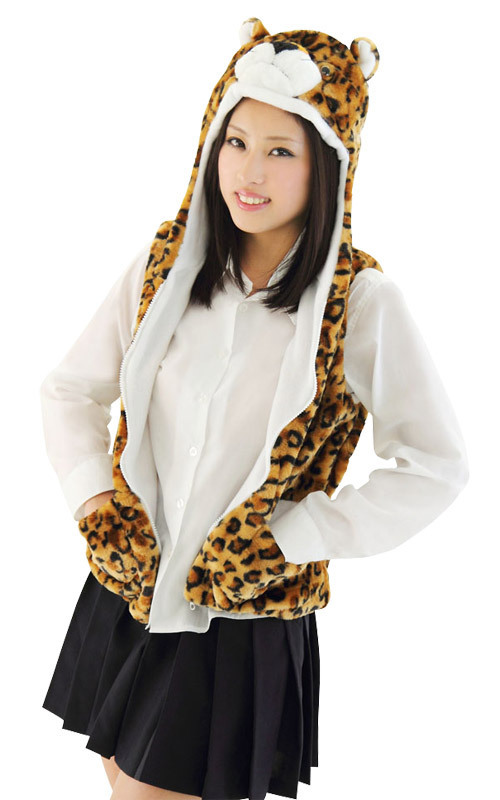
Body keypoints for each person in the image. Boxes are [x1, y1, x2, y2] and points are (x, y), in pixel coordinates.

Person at [39, 18, 469, 800]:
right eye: (236, 141)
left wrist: (292, 538)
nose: (249, 171)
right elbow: (70, 389)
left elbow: (436, 464)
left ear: (329, 163)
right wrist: (97, 505)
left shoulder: (359, 303)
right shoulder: (167, 266)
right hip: (128, 586)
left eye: (281, 151)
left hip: (237, 620)